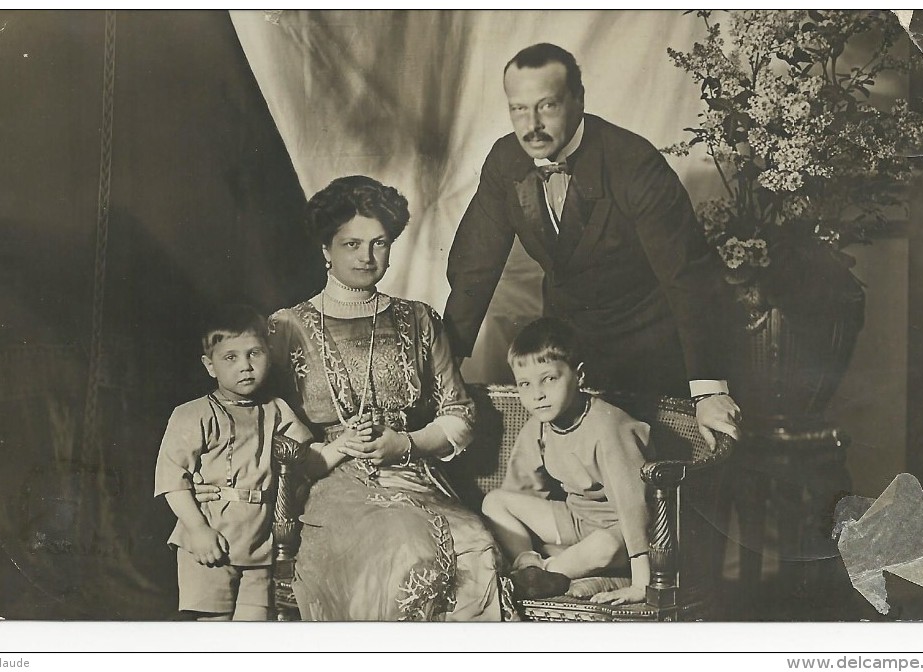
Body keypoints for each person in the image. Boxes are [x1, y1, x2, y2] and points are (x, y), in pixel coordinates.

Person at [200, 175, 514, 621]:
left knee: (478, 547)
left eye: (379, 244)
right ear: (326, 250)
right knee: (409, 551)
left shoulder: (420, 319)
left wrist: (404, 444)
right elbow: (257, 427)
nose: (368, 257)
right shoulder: (284, 328)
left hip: (414, 478)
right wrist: (328, 453)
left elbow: (460, 414)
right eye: (352, 244)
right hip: (326, 485)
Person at [444, 42, 741, 449]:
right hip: (568, 353)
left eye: (547, 106)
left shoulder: (633, 162)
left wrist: (708, 390)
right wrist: (446, 369)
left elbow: (688, 277)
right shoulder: (504, 161)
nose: (531, 124)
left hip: (652, 354)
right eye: (518, 109)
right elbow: (474, 271)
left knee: (647, 480)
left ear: (578, 100)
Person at [154, 304, 314, 621]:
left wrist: (348, 443)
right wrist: (198, 530)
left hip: (259, 546)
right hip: (210, 542)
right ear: (209, 365)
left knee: (251, 636)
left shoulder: (276, 410)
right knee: (214, 635)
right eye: (231, 357)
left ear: (269, 354)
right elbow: (172, 479)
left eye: (254, 354)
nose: (245, 366)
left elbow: (307, 453)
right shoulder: (193, 413)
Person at [482, 317, 652, 605]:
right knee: (495, 502)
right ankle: (531, 566)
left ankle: (548, 573)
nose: (537, 395)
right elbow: (521, 488)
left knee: (604, 546)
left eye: (549, 379)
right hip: (575, 520)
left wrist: (642, 584)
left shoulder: (608, 428)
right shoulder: (540, 425)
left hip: (620, 529)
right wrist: (526, 541)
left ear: (579, 376)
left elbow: (635, 509)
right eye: (525, 384)